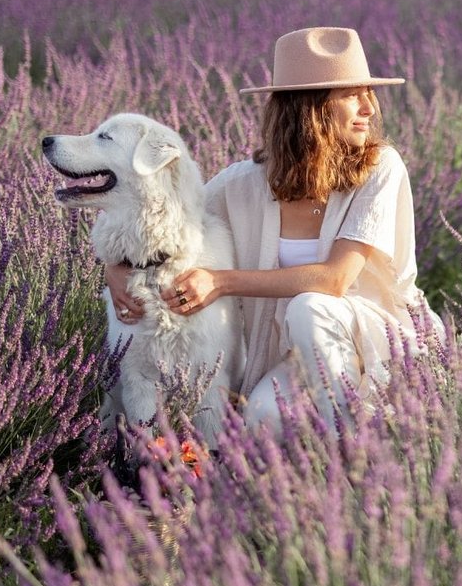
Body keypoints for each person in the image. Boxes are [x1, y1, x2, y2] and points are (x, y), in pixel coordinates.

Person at [105, 26, 444, 435]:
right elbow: (166, 220)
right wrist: (116, 267)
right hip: (300, 357)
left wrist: (222, 281)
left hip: (379, 346)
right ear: (310, 107)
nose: (369, 108)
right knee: (261, 422)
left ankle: (351, 450)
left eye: (368, 93)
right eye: (352, 94)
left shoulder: (381, 168)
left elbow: (333, 281)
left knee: (310, 306)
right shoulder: (243, 184)